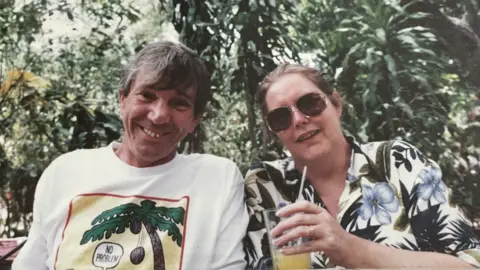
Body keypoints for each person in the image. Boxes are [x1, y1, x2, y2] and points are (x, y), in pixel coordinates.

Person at [13, 41, 249, 270]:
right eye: (147, 95)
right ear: (122, 99)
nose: (158, 115)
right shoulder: (65, 172)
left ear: (194, 120)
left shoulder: (217, 179)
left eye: (179, 103)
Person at [243, 63, 480, 269]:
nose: (299, 120)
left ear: (335, 104)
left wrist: (353, 250)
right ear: (275, 132)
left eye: (309, 103)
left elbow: (469, 265)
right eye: (281, 118)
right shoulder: (265, 185)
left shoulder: (396, 162)